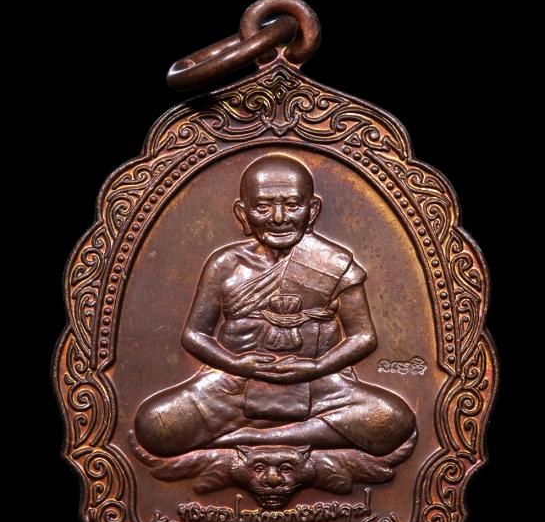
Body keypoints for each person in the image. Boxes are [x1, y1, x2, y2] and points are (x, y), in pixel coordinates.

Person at [133, 154, 416, 457]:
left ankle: (248, 436)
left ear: (312, 210)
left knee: (394, 420)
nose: (279, 217)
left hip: (321, 387)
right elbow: (195, 335)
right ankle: (298, 433)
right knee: (154, 425)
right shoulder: (225, 265)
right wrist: (236, 364)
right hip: (234, 386)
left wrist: (317, 367)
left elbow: (363, 336)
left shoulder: (334, 264)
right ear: (242, 213)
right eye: (262, 207)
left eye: (292, 205)